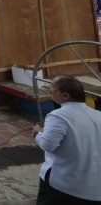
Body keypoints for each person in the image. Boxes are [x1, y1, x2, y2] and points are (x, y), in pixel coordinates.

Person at [32, 76, 101, 204]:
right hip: (95, 189)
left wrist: (37, 134)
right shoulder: (98, 115)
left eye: (52, 89)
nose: (50, 90)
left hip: (63, 186)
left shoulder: (58, 116)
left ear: (65, 95)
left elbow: (48, 144)